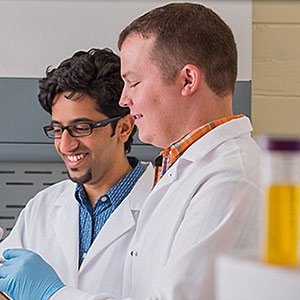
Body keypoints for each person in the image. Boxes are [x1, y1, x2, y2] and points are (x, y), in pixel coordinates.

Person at [0, 3, 262, 300]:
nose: (125, 99)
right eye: (58, 129)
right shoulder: (181, 173)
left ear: (188, 80)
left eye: (133, 82)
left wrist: (52, 294)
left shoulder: (231, 179)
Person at [0, 48, 153, 297]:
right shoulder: (42, 206)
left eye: (81, 128)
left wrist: (52, 294)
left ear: (124, 128)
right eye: (58, 129)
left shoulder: (165, 203)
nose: (65, 144)